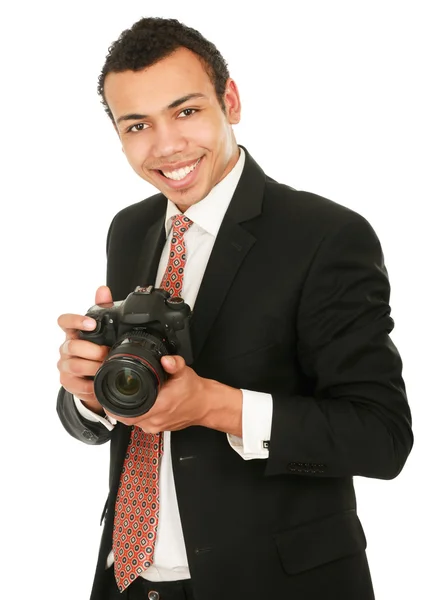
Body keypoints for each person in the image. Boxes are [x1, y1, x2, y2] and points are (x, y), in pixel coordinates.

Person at [56, 16, 413, 600]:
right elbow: (115, 411)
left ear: (231, 101)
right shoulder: (130, 230)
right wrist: (87, 394)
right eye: (138, 125)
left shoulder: (325, 236)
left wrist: (215, 407)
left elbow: (382, 436)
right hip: (129, 578)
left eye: (186, 111)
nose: (166, 145)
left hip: (272, 583)